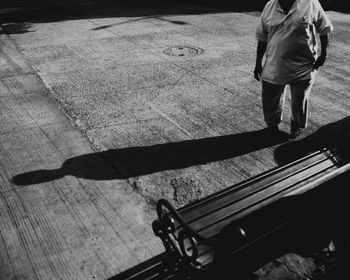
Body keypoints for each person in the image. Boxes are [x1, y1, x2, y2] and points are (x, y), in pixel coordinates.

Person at [254, 0, 334, 139]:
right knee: (270, 99)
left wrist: (324, 55)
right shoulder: (270, 5)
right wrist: (257, 64)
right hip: (275, 64)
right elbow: (262, 37)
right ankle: (272, 125)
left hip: (303, 66)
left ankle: (297, 124)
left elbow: (324, 28)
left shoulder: (310, 3)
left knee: (300, 101)